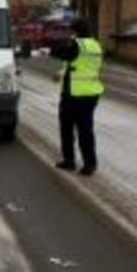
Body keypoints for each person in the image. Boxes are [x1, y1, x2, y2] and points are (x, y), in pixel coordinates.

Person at [50, 18, 105, 176]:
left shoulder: (76, 45)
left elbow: (62, 54)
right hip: (91, 93)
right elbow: (79, 65)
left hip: (74, 95)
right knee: (86, 130)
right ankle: (90, 164)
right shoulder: (95, 45)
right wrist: (61, 74)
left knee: (67, 129)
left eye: (71, 30)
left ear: (75, 31)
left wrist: (51, 47)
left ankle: (69, 161)